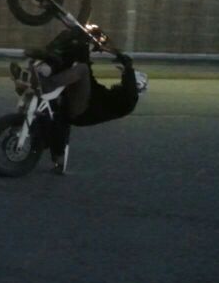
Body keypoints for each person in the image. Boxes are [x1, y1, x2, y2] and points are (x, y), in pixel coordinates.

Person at [10, 27, 146, 174]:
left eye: (126, 80)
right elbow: (91, 83)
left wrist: (128, 69)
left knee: (82, 69)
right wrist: (85, 53)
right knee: (75, 71)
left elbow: (130, 92)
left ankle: (46, 83)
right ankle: (36, 74)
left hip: (83, 111)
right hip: (79, 108)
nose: (121, 81)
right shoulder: (110, 96)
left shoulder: (127, 104)